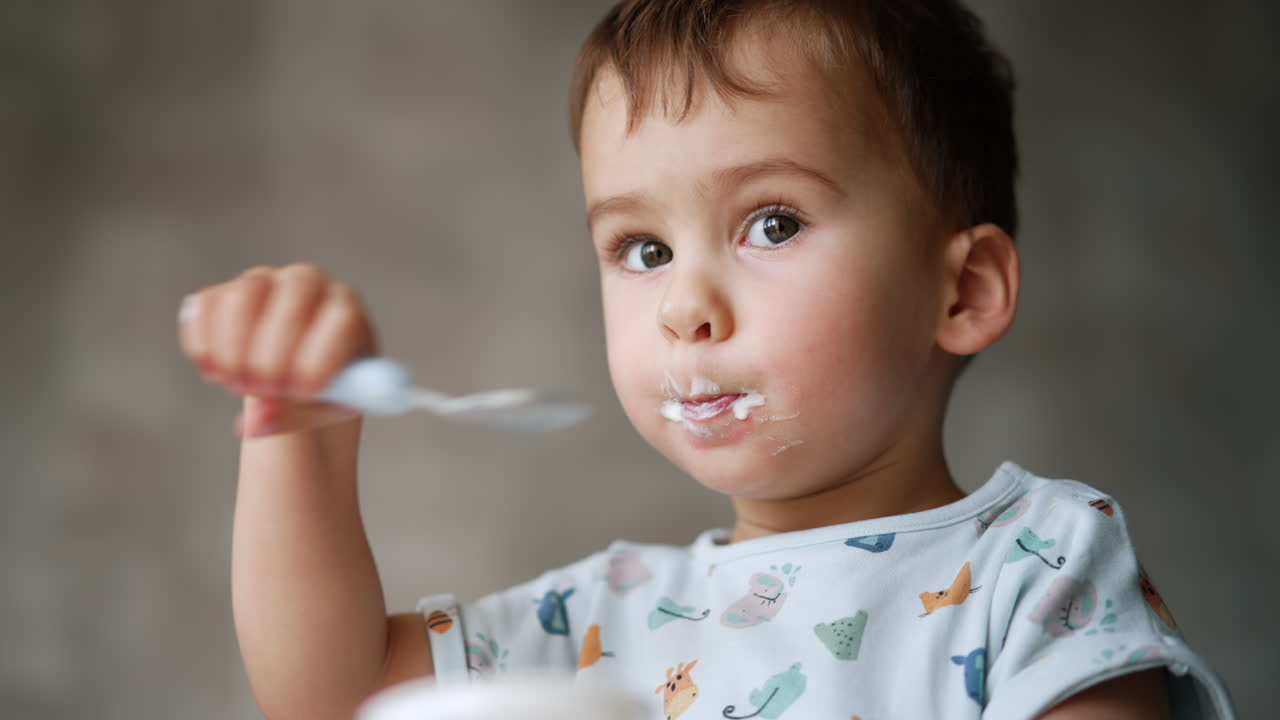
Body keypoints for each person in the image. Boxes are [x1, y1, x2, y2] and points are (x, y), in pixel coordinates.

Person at [177, 1, 1236, 718]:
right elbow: (331, 690)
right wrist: (302, 437)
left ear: (957, 292)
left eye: (770, 224)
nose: (683, 305)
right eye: (642, 249)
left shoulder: (1036, 565)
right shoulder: (610, 613)